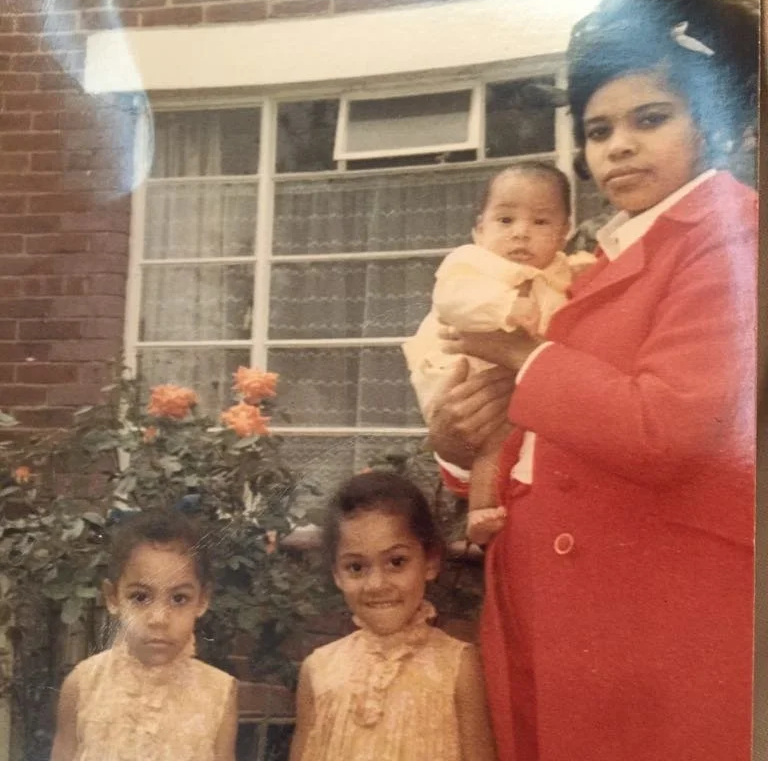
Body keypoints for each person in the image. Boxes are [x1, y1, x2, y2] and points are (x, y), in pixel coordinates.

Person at [429, 0, 758, 759]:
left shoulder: (729, 235)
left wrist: (516, 355)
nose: (618, 148)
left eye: (651, 119)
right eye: (598, 130)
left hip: (658, 612)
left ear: (711, 119)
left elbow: (663, 429)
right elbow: (553, 429)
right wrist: (459, 440)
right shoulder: (600, 251)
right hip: (559, 603)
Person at [403, 163, 594, 546]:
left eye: (541, 222)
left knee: (510, 433)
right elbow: (453, 301)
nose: (521, 232)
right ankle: (479, 508)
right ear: (479, 230)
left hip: (516, 379)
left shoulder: (563, 271)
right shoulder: (472, 264)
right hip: (458, 369)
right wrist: (506, 307)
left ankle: (486, 512)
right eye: (505, 219)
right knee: (492, 431)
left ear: (564, 231)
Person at [289, 471, 496, 761]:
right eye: (356, 568)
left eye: (396, 562)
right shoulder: (319, 669)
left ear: (430, 562)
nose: (377, 585)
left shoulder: (458, 666)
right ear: (336, 573)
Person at [50, 508, 238, 761]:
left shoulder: (219, 694)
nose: (158, 619)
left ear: (202, 600)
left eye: (179, 598)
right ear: (113, 598)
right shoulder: (82, 685)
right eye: (140, 597)